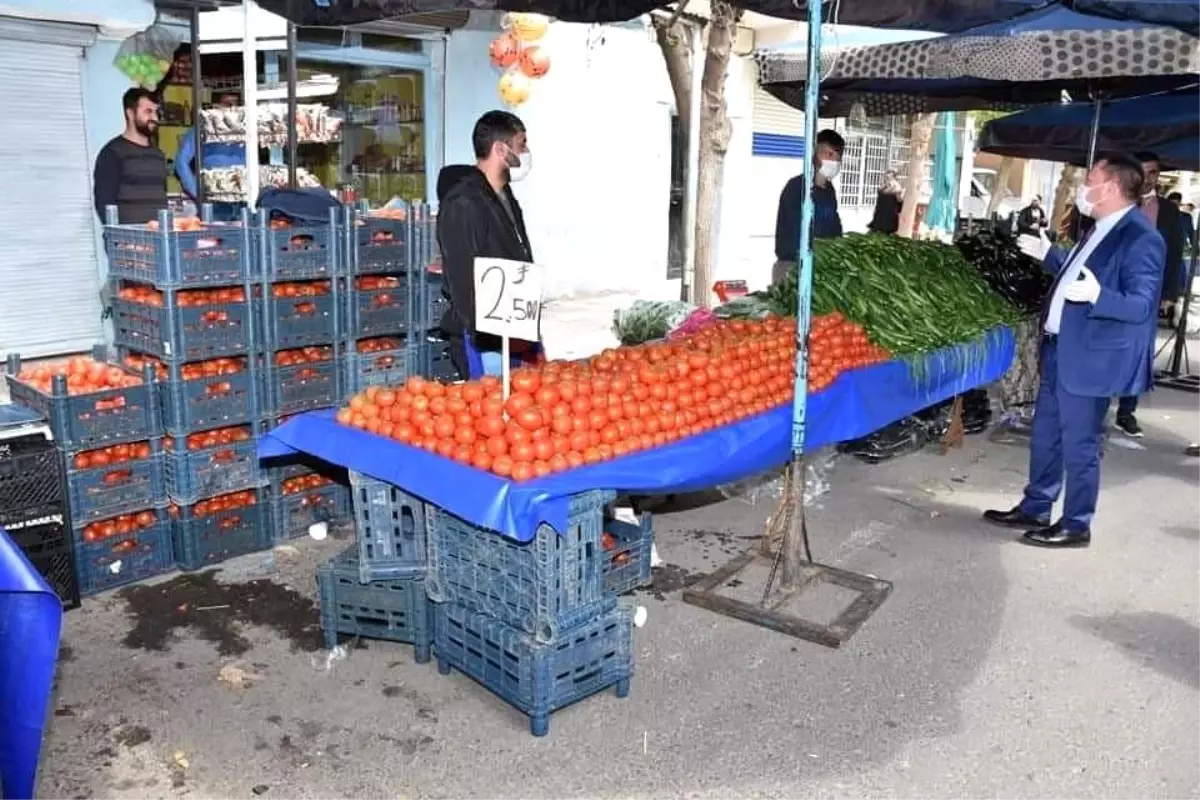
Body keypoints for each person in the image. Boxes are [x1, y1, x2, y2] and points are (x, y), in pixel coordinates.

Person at [983, 155, 1165, 548]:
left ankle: (1077, 523)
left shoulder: (1141, 237)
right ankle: (1036, 505)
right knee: (1046, 435)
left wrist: (1100, 297)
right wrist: (1049, 255)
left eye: (1092, 180)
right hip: (1060, 349)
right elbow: (1079, 272)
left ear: (1113, 188)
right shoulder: (1098, 227)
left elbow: (1140, 305)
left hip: (1091, 357)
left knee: (1079, 444)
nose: (1085, 187)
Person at [436, 110, 536, 379]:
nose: (526, 152)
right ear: (501, 149)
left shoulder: (503, 195)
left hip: (514, 331)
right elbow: (463, 279)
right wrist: (488, 335)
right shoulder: (463, 203)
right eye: (522, 144)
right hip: (485, 340)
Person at [1113, 152, 1183, 437]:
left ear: (1157, 176)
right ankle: (1096, 406)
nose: (1147, 178)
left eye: (1152, 172)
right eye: (1141, 172)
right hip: (1111, 289)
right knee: (1109, 348)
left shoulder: (1167, 211)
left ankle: (1126, 412)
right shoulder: (1117, 201)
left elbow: (1175, 251)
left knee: (1139, 353)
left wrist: (1170, 292)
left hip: (1148, 294)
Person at [772, 129, 845, 285]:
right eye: (827, 154)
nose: (833, 160)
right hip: (792, 269)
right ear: (814, 155)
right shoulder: (797, 187)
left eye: (837, 156)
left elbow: (835, 228)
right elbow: (797, 233)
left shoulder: (829, 191)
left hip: (821, 268)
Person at [93, 87, 167, 225]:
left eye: (156, 112)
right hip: (129, 242)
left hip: (160, 239)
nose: (155, 118)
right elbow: (104, 204)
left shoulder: (158, 155)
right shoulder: (112, 153)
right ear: (130, 113)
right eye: (148, 112)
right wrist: (121, 239)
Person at [175, 92, 245, 220]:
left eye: (237, 104)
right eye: (228, 104)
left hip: (244, 203)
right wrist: (197, 193)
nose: (233, 108)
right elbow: (181, 162)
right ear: (216, 106)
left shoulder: (245, 130)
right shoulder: (203, 129)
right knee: (214, 239)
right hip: (215, 203)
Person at [867, 170, 903, 235]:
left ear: (894, 178)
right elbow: (880, 195)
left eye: (889, 178)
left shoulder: (897, 188)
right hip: (880, 214)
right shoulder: (883, 186)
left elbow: (899, 201)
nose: (887, 179)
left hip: (889, 214)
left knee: (885, 233)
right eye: (886, 177)